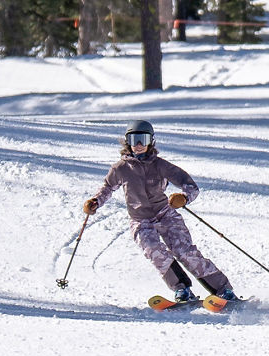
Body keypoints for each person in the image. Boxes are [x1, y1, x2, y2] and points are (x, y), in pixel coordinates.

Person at [84, 121, 243, 310]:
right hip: (140, 220)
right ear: (127, 142)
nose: (139, 144)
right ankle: (182, 289)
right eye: (134, 139)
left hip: (165, 215)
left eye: (143, 139)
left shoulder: (161, 165)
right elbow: (107, 187)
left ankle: (223, 289)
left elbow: (190, 186)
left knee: (184, 251)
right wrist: (95, 202)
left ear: (151, 141)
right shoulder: (120, 168)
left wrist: (183, 198)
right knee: (153, 250)